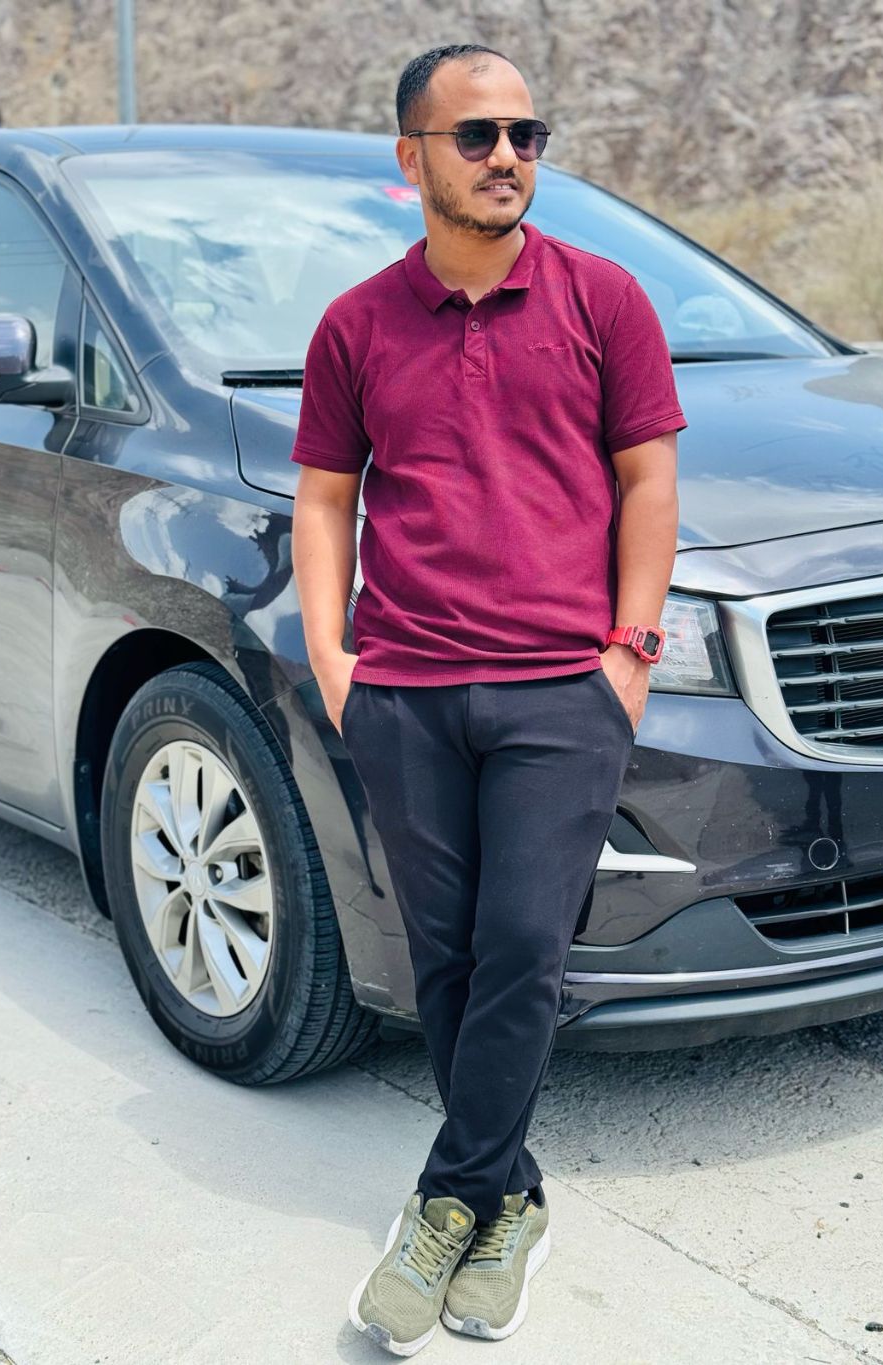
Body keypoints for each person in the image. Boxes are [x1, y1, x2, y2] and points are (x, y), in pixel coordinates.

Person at [289, 42, 686, 1356]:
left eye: (526, 133)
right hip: (406, 689)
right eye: (477, 136)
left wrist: (628, 653)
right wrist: (335, 660)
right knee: (449, 957)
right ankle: (512, 1199)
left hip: (561, 690)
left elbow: (647, 480)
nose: (508, 155)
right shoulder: (356, 324)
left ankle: (449, 1200)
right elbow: (326, 499)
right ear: (411, 156)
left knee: (523, 942)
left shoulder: (603, 297)